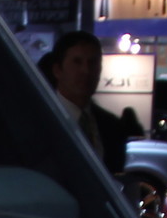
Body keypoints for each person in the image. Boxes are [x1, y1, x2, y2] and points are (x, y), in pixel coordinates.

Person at [39, 30, 125, 177]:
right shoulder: (38, 122)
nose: (86, 71)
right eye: (77, 62)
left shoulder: (112, 126)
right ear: (57, 70)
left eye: (93, 63)